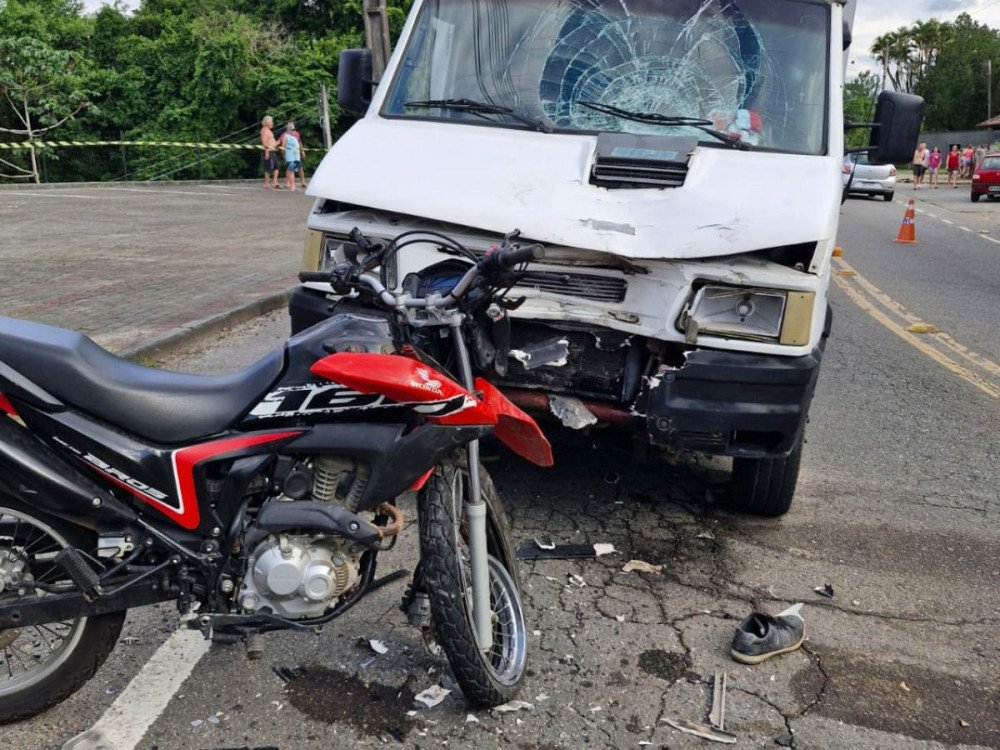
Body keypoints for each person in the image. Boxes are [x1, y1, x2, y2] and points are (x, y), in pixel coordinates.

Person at [281, 121, 308, 189]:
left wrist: (302, 151)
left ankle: (303, 182)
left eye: (293, 127)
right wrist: (284, 157)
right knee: (290, 169)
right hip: (290, 155)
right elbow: (282, 146)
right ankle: (289, 183)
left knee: (300, 168)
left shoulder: (297, 134)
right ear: (288, 128)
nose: (293, 129)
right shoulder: (285, 135)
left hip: (296, 155)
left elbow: (299, 142)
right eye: (290, 127)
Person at [277, 121, 302, 192]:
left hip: (295, 157)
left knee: (293, 171)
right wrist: (284, 158)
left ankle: (293, 186)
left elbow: (298, 146)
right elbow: (283, 148)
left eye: (294, 130)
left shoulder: (295, 137)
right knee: (291, 171)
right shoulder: (285, 136)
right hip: (290, 157)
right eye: (292, 130)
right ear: (289, 130)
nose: (294, 131)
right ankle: (292, 187)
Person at [260, 115, 280, 189]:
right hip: (268, 151)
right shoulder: (264, 130)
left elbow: (271, 142)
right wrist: (267, 152)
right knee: (268, 167)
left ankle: (274, 182)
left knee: (276, 166)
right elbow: (264, 143)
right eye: (271, 122)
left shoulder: (269, 131)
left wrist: (277, 144)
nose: (272, 123)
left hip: (272, 151)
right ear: (267, 122)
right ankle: (266, 183)